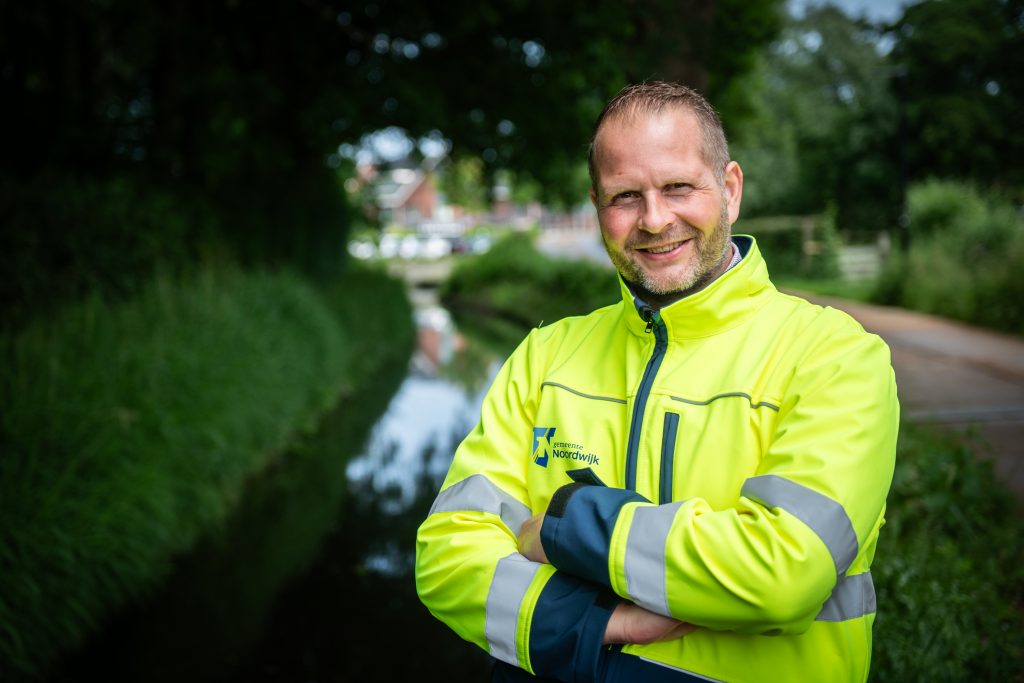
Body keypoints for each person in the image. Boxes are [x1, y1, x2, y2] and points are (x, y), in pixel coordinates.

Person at [415, 81, 899, 683]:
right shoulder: (544, 355)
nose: (654, 218)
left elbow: (783, 575)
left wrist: (567, 528)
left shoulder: (836, 357)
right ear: (598, 208)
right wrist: (598, 622)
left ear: (729, 190)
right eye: (625, 196)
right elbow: (444, 557)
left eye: (677, 187)